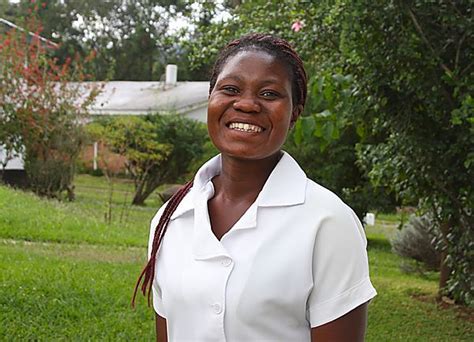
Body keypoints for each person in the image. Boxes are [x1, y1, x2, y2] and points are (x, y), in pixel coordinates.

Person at [133, 33, 377, 342]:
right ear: (211, 99)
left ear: (294, 114)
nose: (247, 104)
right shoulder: (171, 219)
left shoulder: (328, 222)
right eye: (231, 89)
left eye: (270, 94)